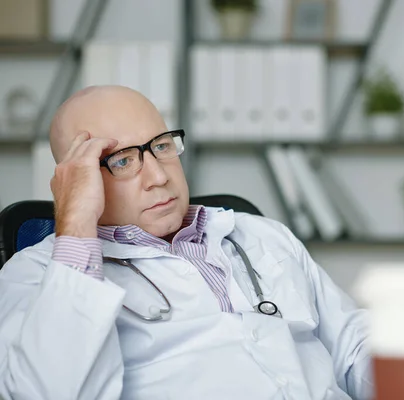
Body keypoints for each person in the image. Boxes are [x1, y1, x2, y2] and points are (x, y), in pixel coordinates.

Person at [0, 86, 372, 400]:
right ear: (78, 178)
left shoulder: (261, 234)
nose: (159, 176)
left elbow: (355, 348)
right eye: (123, 161)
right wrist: (77, 223)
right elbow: (44, 392)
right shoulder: (35, 274)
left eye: (161, 146)